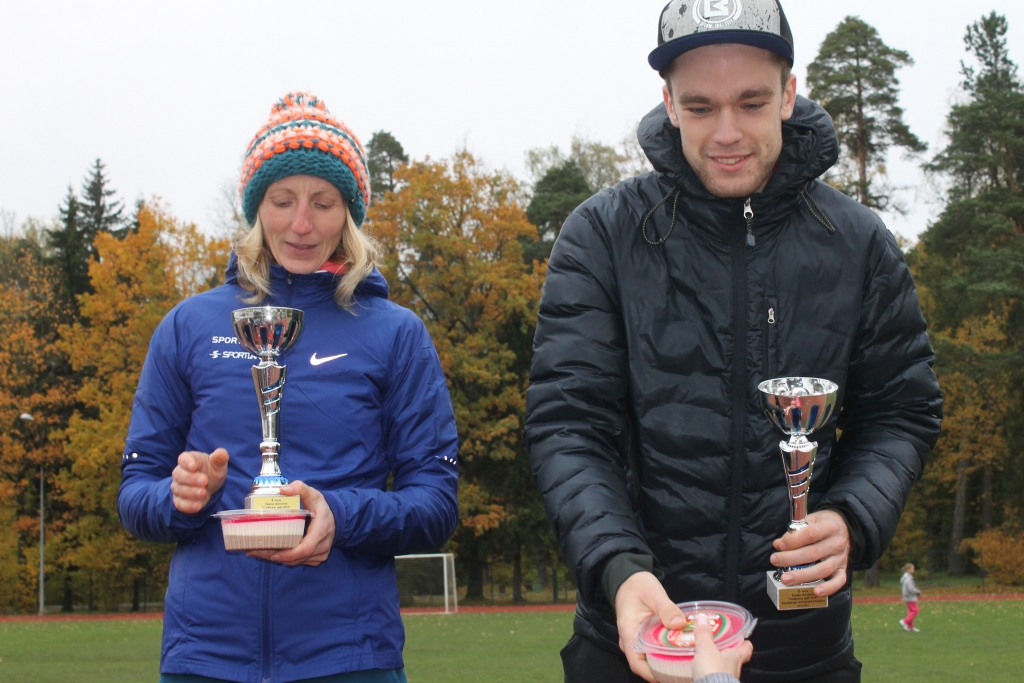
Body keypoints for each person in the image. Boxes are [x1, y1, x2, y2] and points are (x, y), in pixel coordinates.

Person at [524, 1, 943, 682]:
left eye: (750, 102)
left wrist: (853, 513)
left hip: (803, 650)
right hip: (635, 639)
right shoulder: (601, 235)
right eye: (700, 106)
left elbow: (902, 412)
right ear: (667, 103)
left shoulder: (860, 243)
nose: (726, 132)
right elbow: (568, 424)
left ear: (789, 92)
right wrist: (620, 570)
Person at [118, 92, 460, 683]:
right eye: (282, 201)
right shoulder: (188, 325)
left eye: (323, 203)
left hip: (351, 660)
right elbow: (134, 492)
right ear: (256, 207)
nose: (301, 225)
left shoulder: (396, 334)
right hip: (206, 660)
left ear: (349, 213)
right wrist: (180, 498)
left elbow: (435, 503)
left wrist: (341, 515)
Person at [899, 563, 922, 632]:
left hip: (907, 596)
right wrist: (917, 592)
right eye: (913, 569)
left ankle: (910, 627)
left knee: (911, 611)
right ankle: (904, 621)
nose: (914, 570)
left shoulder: (906, 577)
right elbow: (910, 589)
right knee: (915, 610)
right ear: (909, 570)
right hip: (910, 596)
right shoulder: (908, 578)